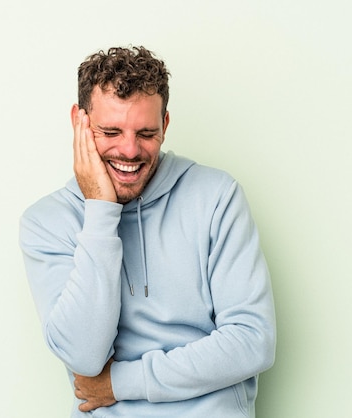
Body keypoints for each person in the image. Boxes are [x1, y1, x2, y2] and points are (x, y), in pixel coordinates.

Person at [19, 45, 276, 417]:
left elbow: (253, 341)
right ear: (80, 121)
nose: (129, 150)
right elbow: (84, 357)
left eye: (146, 133)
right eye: (110, 131)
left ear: (166, 126)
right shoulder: (47, 222)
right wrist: (101, 212)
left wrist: (119, 384)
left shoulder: (216, 196)